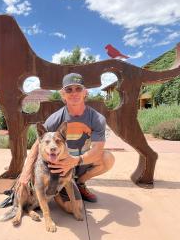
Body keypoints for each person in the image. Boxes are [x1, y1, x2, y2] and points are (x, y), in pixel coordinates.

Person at [19, 73, 115, 204]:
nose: (74, 93)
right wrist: (26, 171)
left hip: (81, 162)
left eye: (78, 88)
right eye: (69, 89)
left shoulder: (97, 118)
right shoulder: (55, 119)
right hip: (60, 165)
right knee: (73, 208)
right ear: (63, 94)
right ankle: (60, 186)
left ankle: (80, 183)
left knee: (108, 158)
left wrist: (75, 161)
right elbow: (38, 144)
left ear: (85, 92)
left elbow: (98, 150)